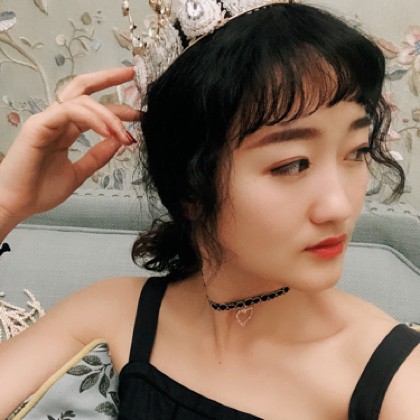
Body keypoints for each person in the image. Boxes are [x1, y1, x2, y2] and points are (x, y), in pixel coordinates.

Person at [0, 2, 419, 419]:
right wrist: (6, 203)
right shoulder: (114, 315)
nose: (339, 206)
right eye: (292, 164)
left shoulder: (395, 381)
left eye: (357, 151)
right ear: (191, 184)